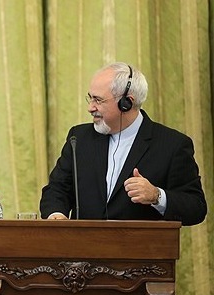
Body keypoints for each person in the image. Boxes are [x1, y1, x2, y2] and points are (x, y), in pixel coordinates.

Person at [39, 62, 206, 226]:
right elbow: (56, 189)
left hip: (140, 250)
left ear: (126, 103)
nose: (90, 108)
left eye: (98, 100)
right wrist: (57, 217)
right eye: (90, 98)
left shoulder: (172, 145)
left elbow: (196, 208)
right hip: (83, 249)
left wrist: (157, 196)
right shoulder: (79, 138)